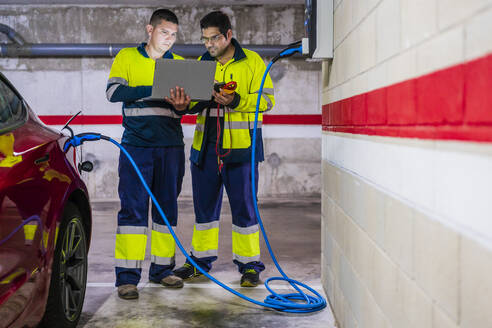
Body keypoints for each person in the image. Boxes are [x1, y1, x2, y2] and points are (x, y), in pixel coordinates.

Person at [170, 11, 275, 287]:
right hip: (205, 149)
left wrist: (236, 99)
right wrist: (184, 106)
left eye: (214, 38)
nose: (208, 45)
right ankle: (199, 263)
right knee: (203, 211)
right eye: (204, 39)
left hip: (242, 150)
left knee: (245, 210)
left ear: (228, 34)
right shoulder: (201, 64)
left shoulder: (252, 62)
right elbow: (193, 105)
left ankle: (250, 266)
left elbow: (267, 101)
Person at [105, 8, 191, 300]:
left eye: (174, 35)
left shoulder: (179, 64)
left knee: (166, 210)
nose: (169, 39)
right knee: (133, 209)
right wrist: (155, 88)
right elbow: (114, 92)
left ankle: (162, 270)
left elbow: (185, 109)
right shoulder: (127, 58)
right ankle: (127, 278)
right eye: (164, 32)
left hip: (170, 147)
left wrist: (182, 104)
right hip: (136, 146)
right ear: (149, 30)